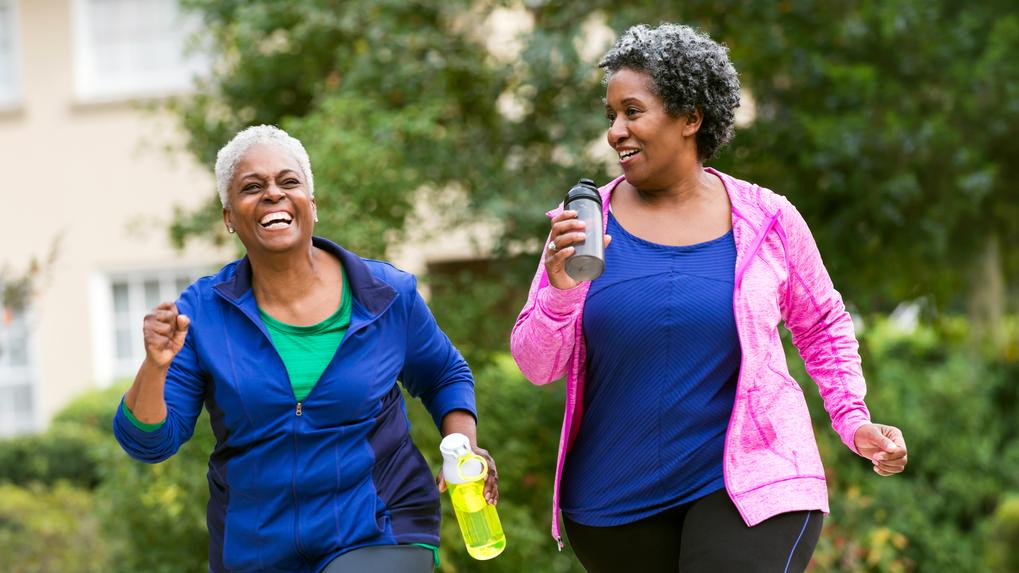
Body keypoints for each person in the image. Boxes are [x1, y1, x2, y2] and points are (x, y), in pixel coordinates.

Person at [510, 23, 907, 572]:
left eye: (632, 111)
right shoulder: (583, 225)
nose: (615, 132)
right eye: (610, 116)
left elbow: (821, 325)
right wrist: (560, 291)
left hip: (751, 487)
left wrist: (852, 418)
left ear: (691, 119)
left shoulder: (768, 220)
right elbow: (536, 365)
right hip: (613, 505)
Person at [113, 125, 498, 573]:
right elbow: (148, 443)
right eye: (251, 187)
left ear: (311, 205)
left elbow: (444, 374)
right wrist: (155, 367)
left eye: (288, 182)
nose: (272, 194)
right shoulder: (200, 313)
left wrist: (461, 447)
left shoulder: (385, 295)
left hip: (380, 528)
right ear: (229, 218)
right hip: (254, 549)